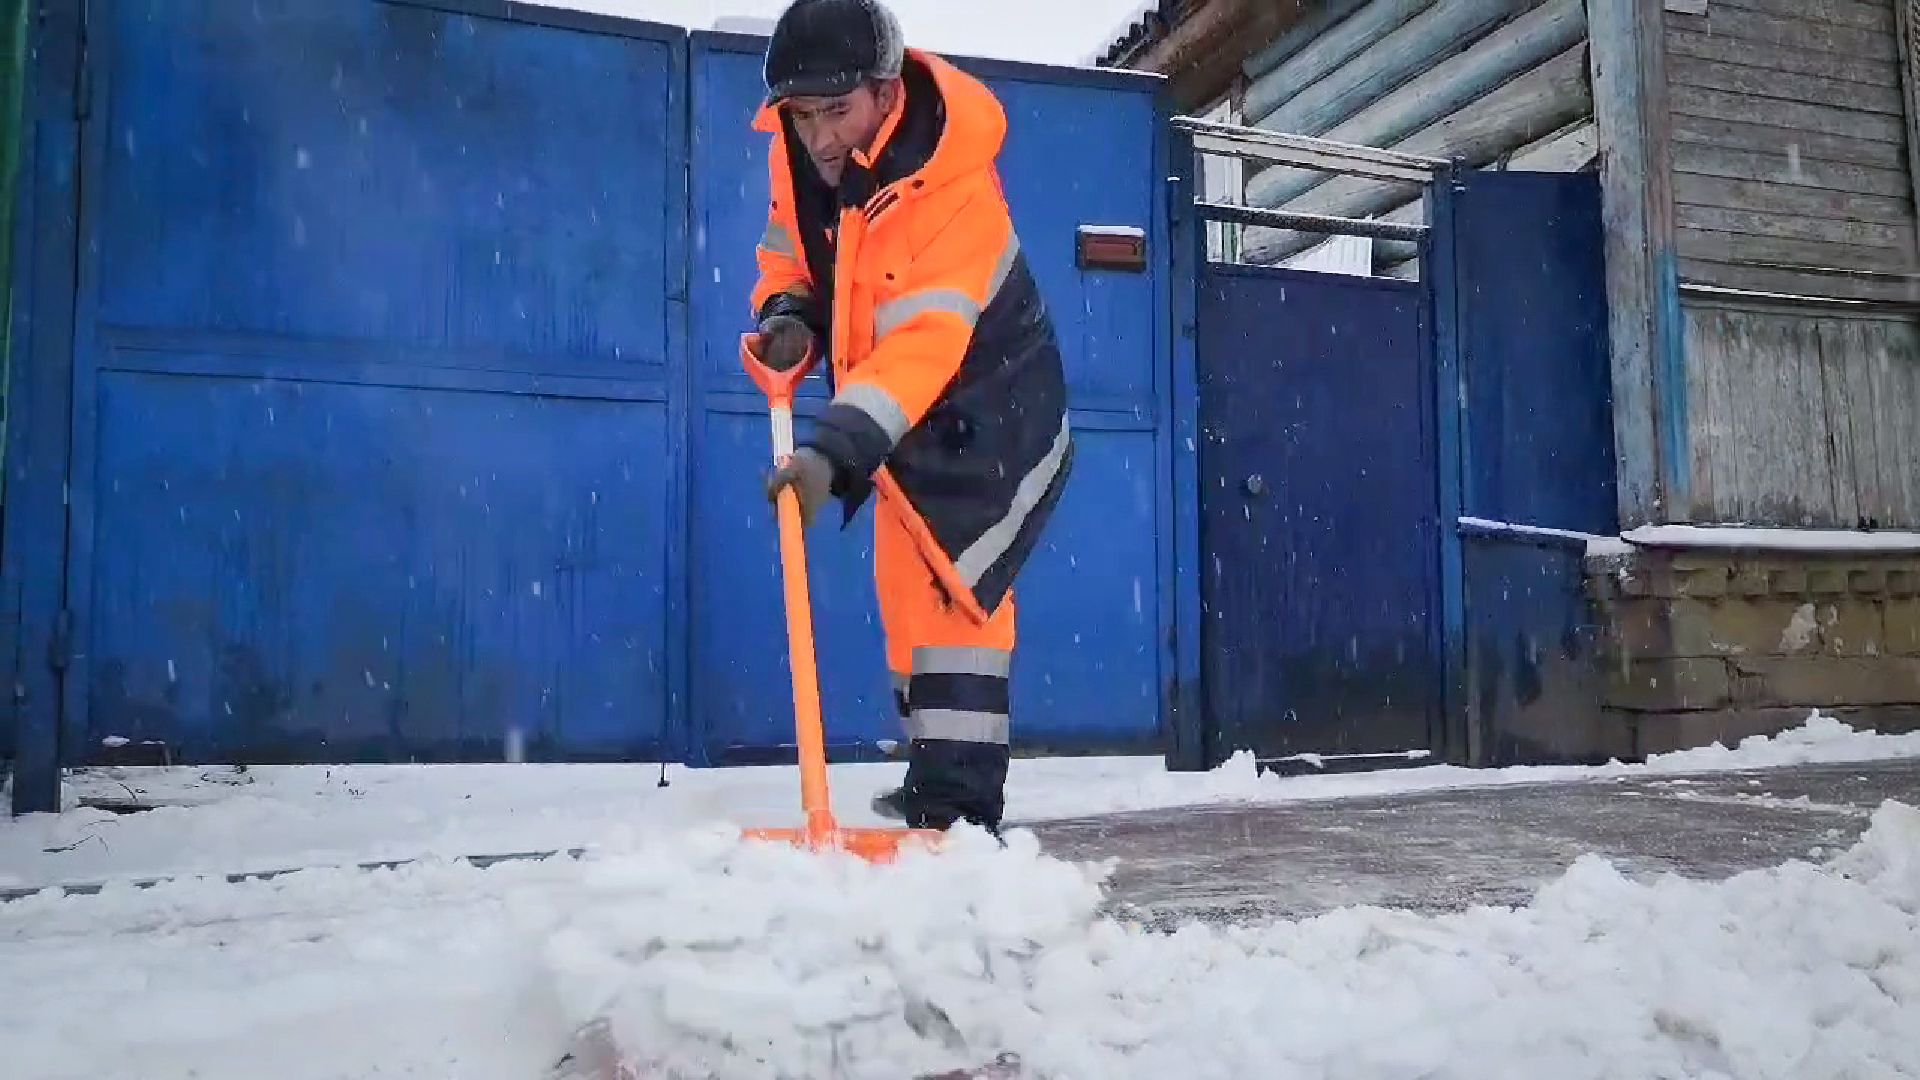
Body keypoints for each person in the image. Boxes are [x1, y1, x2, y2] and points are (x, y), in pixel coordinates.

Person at [748, 0, 1073, 834]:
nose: (819, 136)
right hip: (900, 420)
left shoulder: (950, 191)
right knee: (908, 594)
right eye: (803, 114)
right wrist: (790, 313)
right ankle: (935, 786)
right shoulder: (810, 160)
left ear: (887, 92)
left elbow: (920, 348)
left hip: (989, 413)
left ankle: (960, 818)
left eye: (837, 112)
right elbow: (795, 251)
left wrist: (834, 451)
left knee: (958, 601)